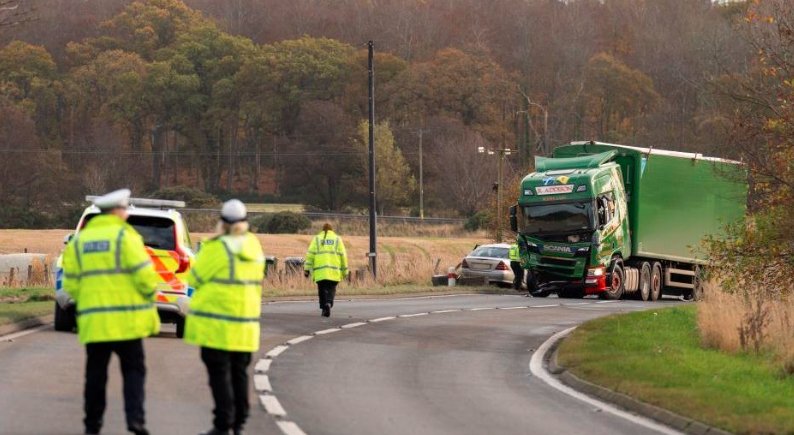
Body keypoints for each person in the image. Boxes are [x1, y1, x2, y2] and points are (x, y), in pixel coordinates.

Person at [62, 189, 160, 435]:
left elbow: (70, 284)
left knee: (95, 375)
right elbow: (146, 277)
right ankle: (135, 420)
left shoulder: (81, 241)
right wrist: (149, 297)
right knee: (133, 371)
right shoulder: (126, 238)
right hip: (128, 322)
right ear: (117, 211)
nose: (126, 213)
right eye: (125, 209)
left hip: (95, 322)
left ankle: (92, 426)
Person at [184, 199, 265, 435]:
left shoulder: (217, 247)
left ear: (222, 222)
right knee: (239, 372)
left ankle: (222, 424)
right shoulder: (254, 247)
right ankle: (239, 420)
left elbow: (194, 278)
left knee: (219, 374)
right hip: (245, 325)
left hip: (216, 325)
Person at [304, 223, 349, 317]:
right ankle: (329, 303)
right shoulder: (337, 239)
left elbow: (310, 255)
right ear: (331, 230)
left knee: (322, 289)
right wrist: (345, 271)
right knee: (332, 288)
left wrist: (307, 269)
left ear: (323, 230)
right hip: (334, 271)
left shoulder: (317, 239)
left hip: (320, 271)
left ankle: (324, 307)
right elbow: (343, 256)